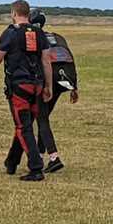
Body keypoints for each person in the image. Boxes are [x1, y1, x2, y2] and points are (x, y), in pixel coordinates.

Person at [0, 0, 53, 181]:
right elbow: (46, 61)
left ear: (13, 13)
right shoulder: (39, 33)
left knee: (23, 127)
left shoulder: (10, 33)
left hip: (19, 86)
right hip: (36, 86)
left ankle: (36, 168)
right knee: (24, 125)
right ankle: (11, 162)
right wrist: (48, 86)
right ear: (28, 13)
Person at [29, 10, 80, 173]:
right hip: (63, 82)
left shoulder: (34, 39)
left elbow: (38, 63)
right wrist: (74, 87)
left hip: (47, 82)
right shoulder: (57, 37)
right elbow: (70, 58)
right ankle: (40, 152)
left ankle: (54, 157)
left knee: (42, 119)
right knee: (44, 117)